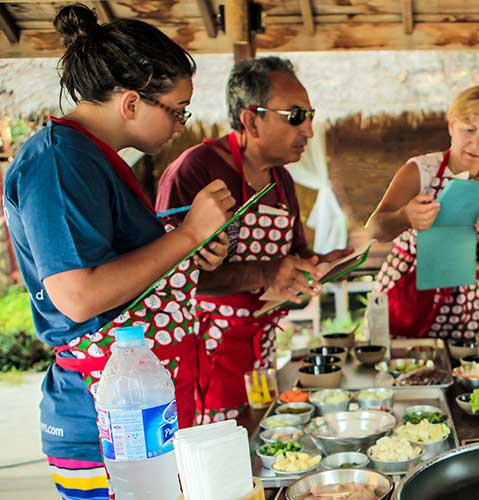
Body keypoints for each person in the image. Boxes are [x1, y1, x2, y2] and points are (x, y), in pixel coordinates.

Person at [3, 5, 232, 499]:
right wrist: (186, 237)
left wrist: (186, 248)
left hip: (140, 409)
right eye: (177, 109)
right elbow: (79, 295)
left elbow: (121, 264)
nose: (181, 124)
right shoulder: (59, 161)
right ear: (131, 103)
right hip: (104, 420)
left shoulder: (93, 159)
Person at [157, 57, 346, 424]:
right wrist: (266, 272)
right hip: (207, 356)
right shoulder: (196, 170)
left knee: (259, 443)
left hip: (260, 351)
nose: (308, 129)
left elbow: (295, 254)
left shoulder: (282, 181)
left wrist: (325, 262)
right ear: (251, 120)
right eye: (295, 116)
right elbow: (170, 280)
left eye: (309, 114)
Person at [366, 86, 479, 339]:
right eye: (469, 130)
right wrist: (406, 217)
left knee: (463, 372)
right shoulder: (420, 170)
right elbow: (375, 229)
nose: (477, 144)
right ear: (452, 125)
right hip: (406, 294)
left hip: (464, 306)